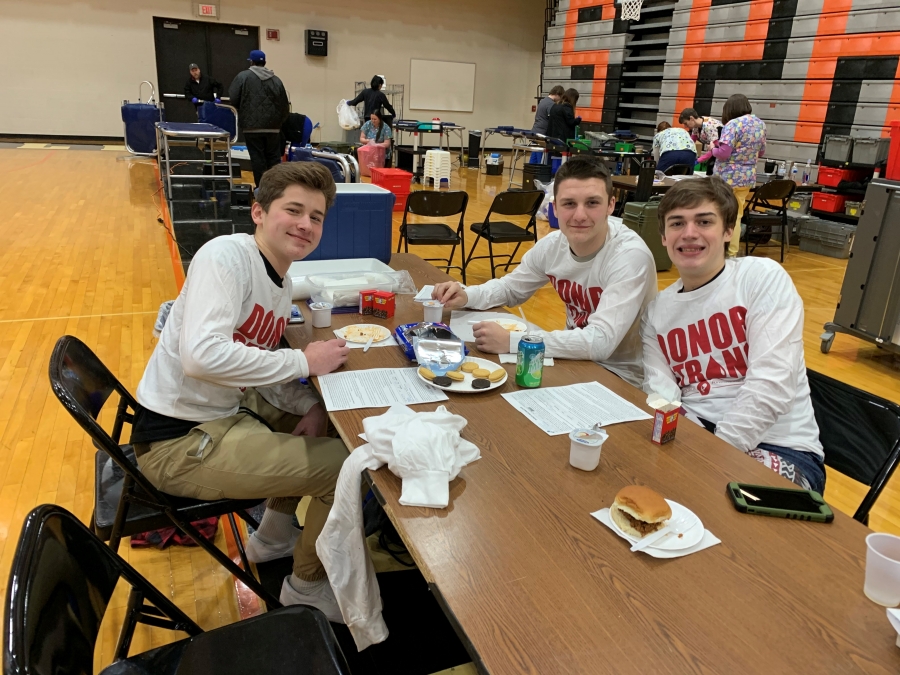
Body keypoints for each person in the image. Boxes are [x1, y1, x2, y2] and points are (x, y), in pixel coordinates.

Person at [130, 162, 353, 620]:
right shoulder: (225, 256)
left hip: (217, 417)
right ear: (258, 212)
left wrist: (309, 401)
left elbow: (259, 368)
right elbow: (201, 356)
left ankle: (271, 537)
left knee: (323, 420)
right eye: (293, 210)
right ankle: (305, 587)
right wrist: (304, 361)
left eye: (316, 216)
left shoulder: (282, 279)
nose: (305, 224)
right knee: (346, 468)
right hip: (178, 443)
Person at [641, 177, 825, 492]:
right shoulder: (656, 311)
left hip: (780, 446)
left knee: (723, 512)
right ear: (663, 236)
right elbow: (662, 393)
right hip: (695, 435)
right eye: (677, 223)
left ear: (728, 230)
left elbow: (771, 385)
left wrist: (711, 455)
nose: (689, 233)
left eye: (704, 221)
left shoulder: (761, 278)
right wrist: (683, 447)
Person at [432, 155, 657, 387]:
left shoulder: (629, 256)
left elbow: (601, 342)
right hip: (573, 361)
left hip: (622, 377)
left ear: (611, 205)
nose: (580, 215)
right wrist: (467, 295)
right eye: (569, 204)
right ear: (555, 207)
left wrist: (514, 341)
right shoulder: (553, 245)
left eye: (592, 203)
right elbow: (511, 288)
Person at [697, 94, 767, 257]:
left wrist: (712, 149)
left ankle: (720, 251)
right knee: (737, 216)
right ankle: (731, 253)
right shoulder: (760, 124)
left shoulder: (733, 124)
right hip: (747, 178)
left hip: (726, 179)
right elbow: (761, 151)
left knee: (720, 215)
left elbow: (724, 153)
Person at [229, 49, 290, 187]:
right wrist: (278, 123)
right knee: (273, 159)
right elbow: (284, 106)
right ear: (265, 62)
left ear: (251, 62)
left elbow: (233, 98)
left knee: (257, 159)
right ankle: (275, 188)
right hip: (273, 128)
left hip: (251, 128)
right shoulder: (276, 80)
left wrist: (243, 112)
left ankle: (261, 189)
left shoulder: (243, 77)